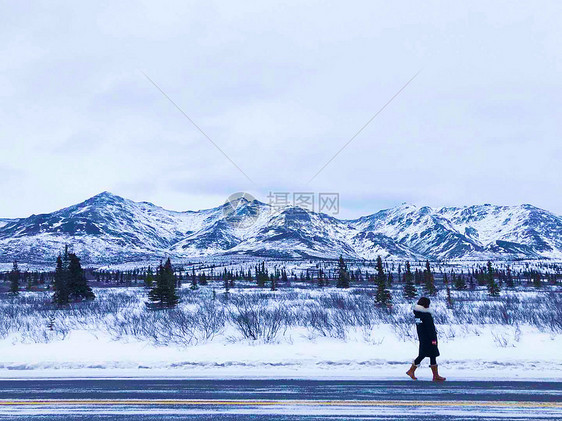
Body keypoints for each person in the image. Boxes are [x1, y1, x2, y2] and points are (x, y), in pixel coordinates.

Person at [406, 297, 446, 381]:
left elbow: (420, 327)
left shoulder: (418, 315)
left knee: (431, 355)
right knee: (424, 355)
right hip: (429, 338)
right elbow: (430, 328)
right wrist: (433, 339)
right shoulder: (426, 315)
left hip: (422, 337)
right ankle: (411, 370)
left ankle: (435, 375)